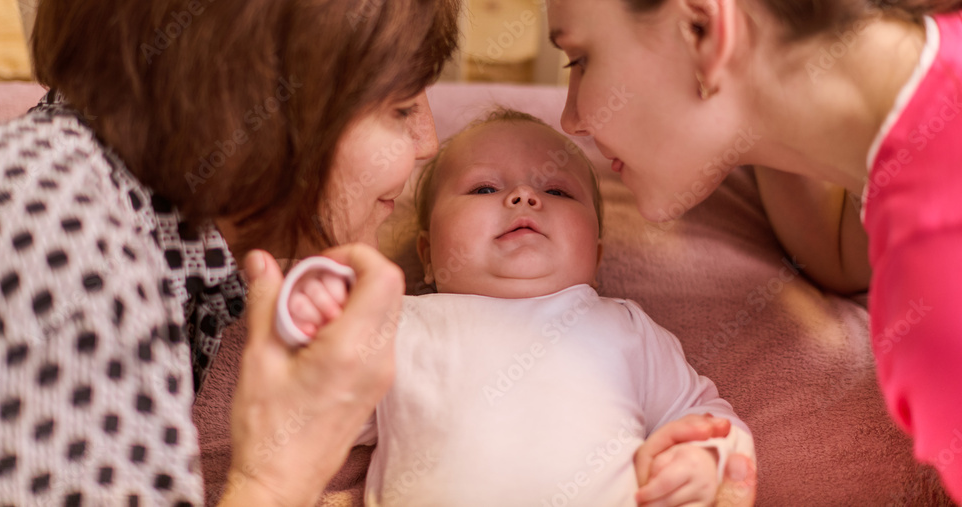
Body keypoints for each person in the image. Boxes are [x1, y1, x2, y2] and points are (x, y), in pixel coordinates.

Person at [0, 0, 461, 502]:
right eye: (400, 107)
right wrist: (281, 470)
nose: (429, 141)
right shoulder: (46, 207)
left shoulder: (179, 257)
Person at [542, 0, 962, 500]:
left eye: (580, 59)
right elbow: (836, 250)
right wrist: (743, 118)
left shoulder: (937, 288)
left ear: (704, 24)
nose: (571, 118)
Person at [280, 110, 756, 506]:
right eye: (484, 189)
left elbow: (707, 417)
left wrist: (704, 459)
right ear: (426, 254)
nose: (524, 197)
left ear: (597, 255)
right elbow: (313, 403)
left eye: (558, 191)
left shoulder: (627, 329)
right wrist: (314, 309)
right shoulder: (402, 324)